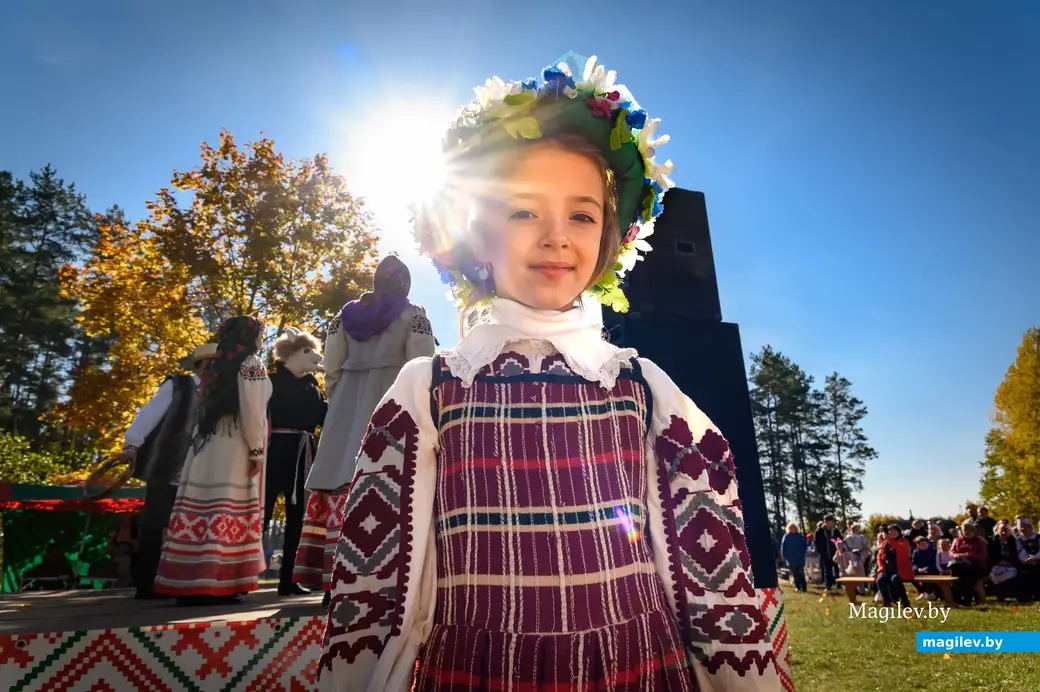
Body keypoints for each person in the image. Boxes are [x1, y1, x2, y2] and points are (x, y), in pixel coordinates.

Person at [316, 56, 787, 690]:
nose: (556, 236)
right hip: (478, 672)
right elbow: (375, 595)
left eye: (582, 215)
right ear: (479, 236)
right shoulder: (429, 391)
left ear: (609, 242)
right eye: (523, 212)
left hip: (639, 670)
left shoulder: (645, 390)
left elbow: (710, 583)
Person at [293, 255, 436, 605]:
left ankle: (334, 579)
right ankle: (379, 578)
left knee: (342, 475)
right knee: (388, 480)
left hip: (346, 404)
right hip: (393, 400)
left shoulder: (344, 316)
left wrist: (340, 398)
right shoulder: (414, 314)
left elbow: (331, 366)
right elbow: (422, 364)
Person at [154, 316, 271, 606]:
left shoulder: (215, 364)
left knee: (201, 510)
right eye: (260, 334)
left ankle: (190, 583)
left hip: (203, 445)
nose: (261, 340)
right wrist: (257, 450)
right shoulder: (251, 363)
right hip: (232, 444)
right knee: (224, 509)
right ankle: (217, 582)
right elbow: (253, 411)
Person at [118, 343, 218, 599]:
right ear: (199, 365)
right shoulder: (178, 385)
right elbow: (149, 414)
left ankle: (183, 582)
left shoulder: (219, 394)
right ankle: (147, 583)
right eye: (210, 362)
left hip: (201, 472)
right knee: (155, 524)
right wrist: (132, 444)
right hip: (167, 464)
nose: (214, 368)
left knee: (191, 527)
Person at [264, 327, 328, 597]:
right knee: (262, 512)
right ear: (290, 353)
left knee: (297, 518)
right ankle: (238, 575)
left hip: (302, 454)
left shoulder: (313, 385)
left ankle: (288, 579)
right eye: (306, 351)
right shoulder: (270, 381)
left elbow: (323, 417)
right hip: (272, 450)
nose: (314, 356)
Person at [948, 521, 988, 605]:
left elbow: (983, 556)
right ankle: (957, 598)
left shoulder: (980, 542)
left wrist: (968, 556)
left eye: (969, 530)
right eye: (965, 530)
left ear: (974, 531)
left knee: (968, 574)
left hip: (976, 566)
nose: (967, 532)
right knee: (958, 573)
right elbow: (951, 552)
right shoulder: (957, 540)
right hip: (960, 565)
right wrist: (957, 555)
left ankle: (967, 598)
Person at [875, 525, 912, 608]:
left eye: (894, 531)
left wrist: (890, 540)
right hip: (888, 569)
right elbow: (879, 557)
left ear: (899, 532)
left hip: (901, 570)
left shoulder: (903, 541)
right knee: (880, 580)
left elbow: (899, 548)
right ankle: (887, 601)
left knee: (894, 579)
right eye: (890, 531)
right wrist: (881, 568)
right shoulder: (884, 544)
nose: (892, 533)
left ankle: (905, 601)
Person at [815, 514, 840, 591]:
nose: (830, 523)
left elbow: (839, 540)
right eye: (828, 521)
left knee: (837, 569)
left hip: (834, 552)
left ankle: (838, 584)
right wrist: (820, 551)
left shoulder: (835, 531)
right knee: (827, 569)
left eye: (831, 521)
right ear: (825, 522)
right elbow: (817, 542)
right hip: (825, 552)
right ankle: (828, 585)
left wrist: (839, 550)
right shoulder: (820, 531)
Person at [781, 522, 808, 592]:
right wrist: (784, 556)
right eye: (790, 528)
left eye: (793, 528)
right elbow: (783, 547)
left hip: (799, 558)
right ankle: (797, 587)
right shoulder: (786, 537)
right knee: (795, 574)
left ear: (796, 529)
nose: (792, 529)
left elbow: (804, 545)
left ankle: (804, 587)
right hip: (791, 559)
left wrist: (803, 552)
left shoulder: (799, 536)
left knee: (801, 573)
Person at [911, 535, 938, 600]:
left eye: (925, 544)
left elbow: (935, 562)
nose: (924, 545)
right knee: (910, 576)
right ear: (918, 545)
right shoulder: (916, 552)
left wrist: (928, 567)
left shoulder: (933, 551)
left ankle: (929, 593)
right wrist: (918, 569)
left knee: (931, 574)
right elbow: (914, 563)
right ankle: (922, 592)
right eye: (922, 544)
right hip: (920, 570)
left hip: (931, 569)